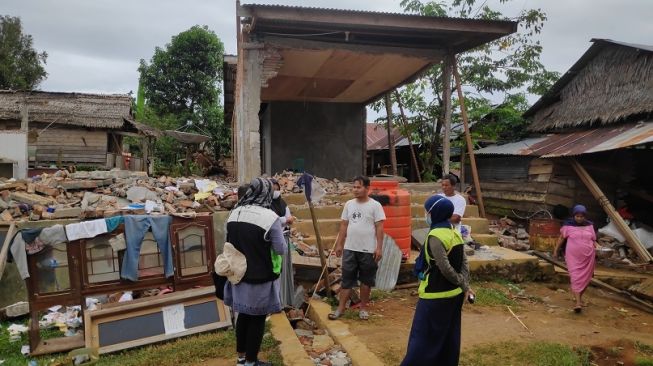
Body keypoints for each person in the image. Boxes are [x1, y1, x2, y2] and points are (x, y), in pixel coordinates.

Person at [401, 195, 473, 366]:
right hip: (454, 296)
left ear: (434, 213)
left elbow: (445, 267)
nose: (426, 214)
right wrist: (464, 285)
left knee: (423, 337)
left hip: (435, 295)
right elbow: (464, 263)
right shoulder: (454, 233)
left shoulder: (435, 236)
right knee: (448, 336)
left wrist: (460, 281)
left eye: (427, 211)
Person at [224, 177, 286, 366]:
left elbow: (229, 242)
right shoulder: (270, 218)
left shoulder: (234, 213)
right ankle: (251, 362)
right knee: (257, 319)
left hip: (237, 274)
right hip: (260, 276)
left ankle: (241, 357)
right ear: (266, 193)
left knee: (243, 315)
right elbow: (280, 249)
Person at [329, 175, 385, 321]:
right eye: (354, 187)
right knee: (347, 279)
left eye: (358, 187)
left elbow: (380, 227)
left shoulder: (375, 205)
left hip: (368, 249)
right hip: (350, 248)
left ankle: (363, 308)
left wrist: (379, 247)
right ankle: (340, 309)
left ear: (367, 188)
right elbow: (344, 225)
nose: (355, 190)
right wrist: (340, 244)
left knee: (366, 280)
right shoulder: (349, 204)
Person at [553, 204, 598, 313]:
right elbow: (561, 239)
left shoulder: (590, 226)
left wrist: (600, 248)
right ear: (574, 216)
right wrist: (555, 251)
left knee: (586, 278)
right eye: (577, 216)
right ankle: (577, 303)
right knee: (575, 277)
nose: (579, 218)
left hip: (588, 257)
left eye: (581, 216)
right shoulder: (568, 226)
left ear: (585, 217)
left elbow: (593, 240)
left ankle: (579, 298)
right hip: (573, 256)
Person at [269, 178, 295, 308]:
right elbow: (269, 220)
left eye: (277, 189)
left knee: (283, 271)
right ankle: (274, 302)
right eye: (272, 189)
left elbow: (288, 220)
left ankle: (283, 301)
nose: (275, 191)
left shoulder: (282, 204)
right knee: (273, 271)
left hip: (283, 239)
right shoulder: (264, 204)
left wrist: (285, 220)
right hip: (270, 243)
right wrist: (285, 219)